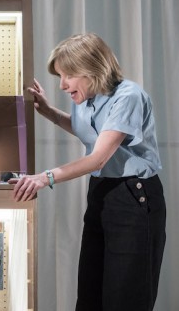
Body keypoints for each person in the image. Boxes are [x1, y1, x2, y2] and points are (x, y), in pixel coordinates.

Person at [12, 33, 166, 311]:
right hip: (102, 194)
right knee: (91, 296)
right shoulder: (86, 98)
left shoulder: (128, 96)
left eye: (67, 75)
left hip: (133, 198)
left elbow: (98, 158)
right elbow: (92, 133)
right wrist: (48, 111)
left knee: (125, 299)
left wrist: (44, 177)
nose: (62, 85)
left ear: (91, 68)